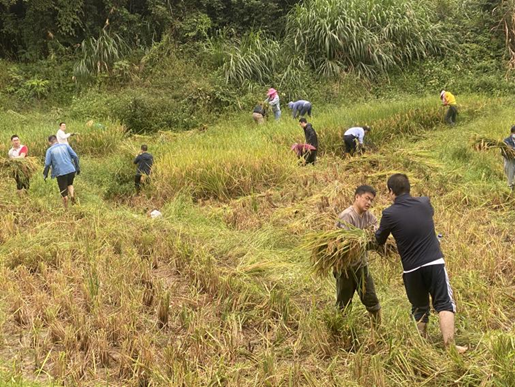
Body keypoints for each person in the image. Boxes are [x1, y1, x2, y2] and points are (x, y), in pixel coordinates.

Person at [375, 174, 467, 353]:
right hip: (434, 262)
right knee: (444, 303)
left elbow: (379, 240)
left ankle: (421, 347)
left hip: (411, 269)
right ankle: (450, 346)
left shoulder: (389, 214)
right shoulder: (425, 203)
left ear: (391, 192)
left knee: (419, 307)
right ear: (409, 188)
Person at [335, 185, 381, 326]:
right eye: (367, 198)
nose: (369, 203)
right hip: (345, 268)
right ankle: (341, 332)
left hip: (361, 266)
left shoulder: (369, 217)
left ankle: (378, 331)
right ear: (357, 197)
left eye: (371, 200)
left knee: (372, 300)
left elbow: (376, 233)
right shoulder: (347, 216)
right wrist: (366, 240)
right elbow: (348, 244)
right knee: (344, 304)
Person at [43, 135, 80, 208]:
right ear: (57, 140)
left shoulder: (50, 150)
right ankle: (72, 196)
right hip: (71, 169)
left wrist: (45, 174)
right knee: (70, 184)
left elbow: (47, 164)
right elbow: (75, 156)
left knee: (63, 191)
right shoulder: (65, 146)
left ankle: (66, 209)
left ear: (50, 142)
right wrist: (77, 167)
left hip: (60, 172)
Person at [503, 126, 515, 191]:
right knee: (510, 177)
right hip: (509, 161)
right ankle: (510, 190)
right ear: (511, 133)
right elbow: (503, 152)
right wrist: (511, 153)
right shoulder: (506, 141)